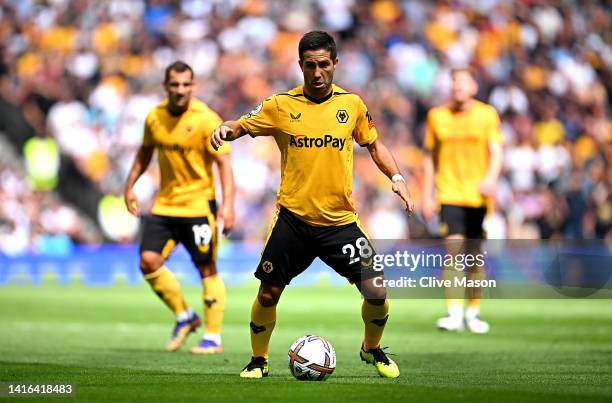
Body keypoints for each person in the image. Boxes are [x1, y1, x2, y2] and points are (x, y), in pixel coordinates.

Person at [210, 31, 414, 379]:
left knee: (377, 290)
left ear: (335, 64)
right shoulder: (279, 105)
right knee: (269, 292)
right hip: (294, 219)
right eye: (310, 65)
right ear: (300, 65)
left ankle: (371, 348)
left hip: (340, 222)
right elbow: (241, 124)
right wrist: (224, 131)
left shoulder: (352, 105)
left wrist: (397, 178)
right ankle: (259, 360)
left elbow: (374, 145)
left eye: (323, 65)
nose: (317, 72)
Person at [123, 61, 235, 354]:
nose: (181, 90)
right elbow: (144, 152)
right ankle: (185, 316)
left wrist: (228, 206)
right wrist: (130, 185)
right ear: (166, 86)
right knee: (148, 261)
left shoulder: (206, 119)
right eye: (175, 84)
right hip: (164, 205)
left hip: (199, 207)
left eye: (186, 84)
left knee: (206, 268)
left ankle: (213, 337)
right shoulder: (155, 117)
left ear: (194, 86)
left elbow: (224, 163)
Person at [422, 67, 503, 333]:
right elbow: (429, 157)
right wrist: (426, 192)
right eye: (454, 82)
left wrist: (491, 178)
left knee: (475, 256)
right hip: (449, 192)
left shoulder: (487, 115)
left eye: (463, 82)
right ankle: (454, 313)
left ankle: (474, 312)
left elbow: (496, 150)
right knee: (454, 250)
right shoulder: (437, 116)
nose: (458, 87)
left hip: (478, 195)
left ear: (474, 87)